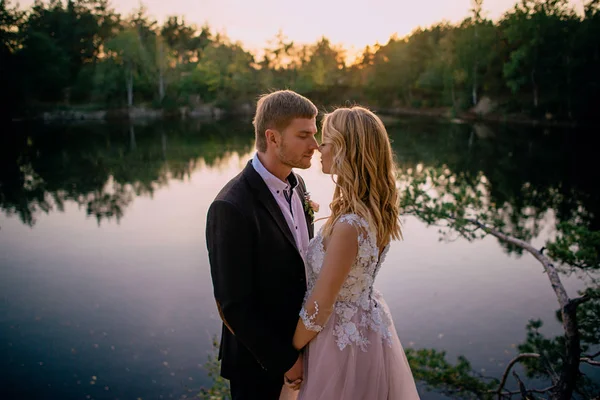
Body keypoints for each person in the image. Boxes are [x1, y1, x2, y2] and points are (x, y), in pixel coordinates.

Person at [290, 106, 420, 399]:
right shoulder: (372, 211)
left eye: (326, 140)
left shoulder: (350, 225)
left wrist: (288, 352)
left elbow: (320, 308)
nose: (318, 147)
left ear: (345, 151)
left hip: (336, 345)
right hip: (365, 328)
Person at [206, 90, 319, 400]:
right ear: (273, 137)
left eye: (315, 134)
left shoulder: (299, 185)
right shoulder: (230, 207)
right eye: (304, 135)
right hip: (259, 366)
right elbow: (234, 305)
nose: (315, 145)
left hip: (304, 351)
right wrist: (286, 360)